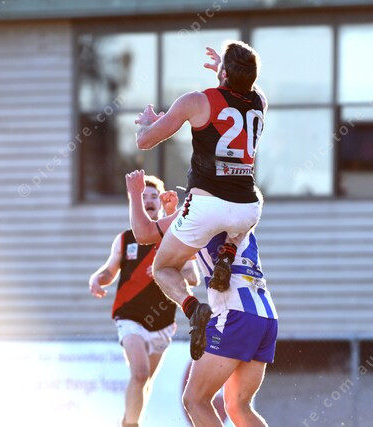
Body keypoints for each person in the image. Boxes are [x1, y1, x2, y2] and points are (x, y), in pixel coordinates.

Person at [134, 41, 268, 359]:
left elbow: (145, 142)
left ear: (223, 73)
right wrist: (228, 70)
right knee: (249, 207)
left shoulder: (196, 101)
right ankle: (228, 253)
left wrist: (148, 123)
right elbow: (242, 92)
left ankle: (193, 308)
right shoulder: (261, 101)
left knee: (163, 267)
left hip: (207, 206)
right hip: (247, 209)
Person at [125, 169, 277, 427]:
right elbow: (198, 250)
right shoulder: (243, 206)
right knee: (238, 406)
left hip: (234, 312)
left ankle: (191, 307)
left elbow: (143, 233)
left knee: (195, 400)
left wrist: (135, 193)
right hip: (265, 313)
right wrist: (172, 213)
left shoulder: (198, 210)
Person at [88, 175, 199, 427]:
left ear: (160, 202)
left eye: (153, 197)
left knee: (145, 380)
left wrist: (165, 268)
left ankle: (129, 420)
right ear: (134, 201)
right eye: (143, 196)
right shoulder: (125, 239)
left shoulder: (173, 238)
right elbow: (109, 271)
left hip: (162, 321)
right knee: (139, 372)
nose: (148, 201)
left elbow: (193, 278)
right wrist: (96, 279)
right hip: (129, 317)